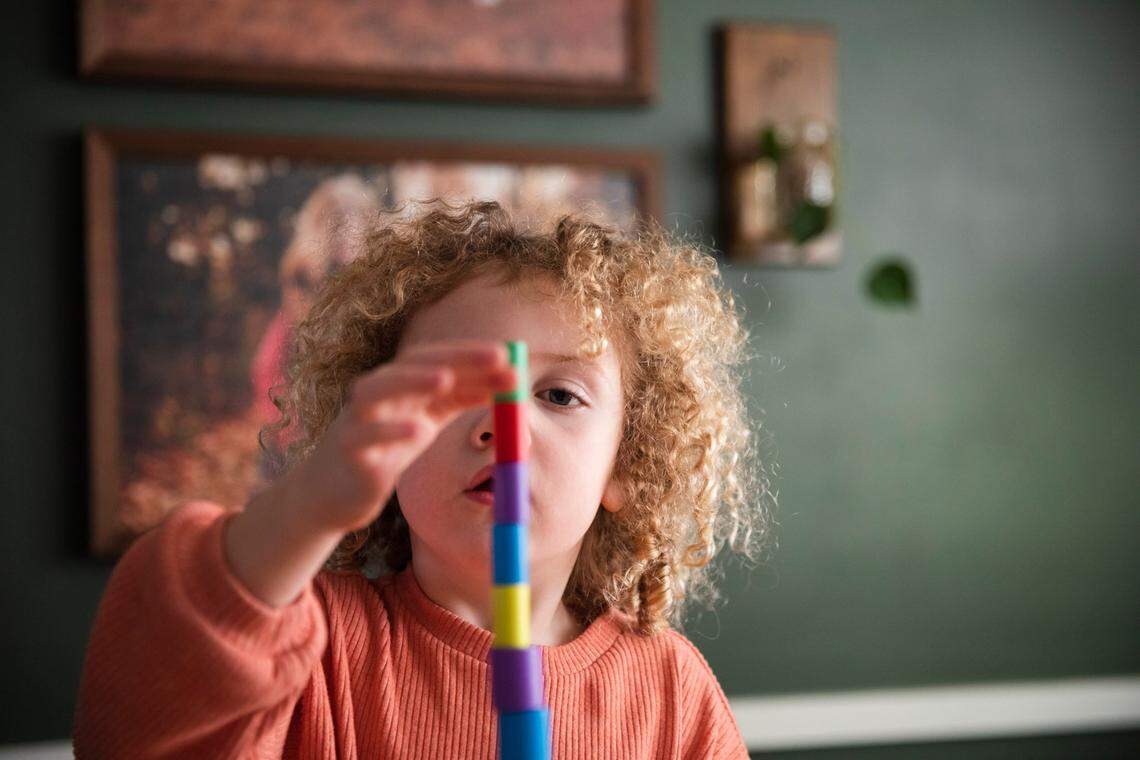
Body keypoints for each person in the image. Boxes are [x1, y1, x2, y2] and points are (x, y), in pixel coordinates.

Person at [73, 200, 775, 758]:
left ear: (627, 464)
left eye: (560, 395)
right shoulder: (319, 655)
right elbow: (140, 722)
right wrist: (310, 502)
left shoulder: (670, 690)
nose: (503, 427)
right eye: (450, 387)